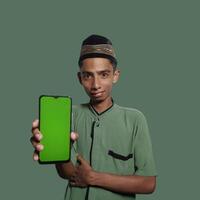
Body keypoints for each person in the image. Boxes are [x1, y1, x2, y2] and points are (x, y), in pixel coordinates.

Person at [31, 34, 157, 200]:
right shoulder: (69, 115)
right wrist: (59, 151)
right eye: (88, 75)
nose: (96, 85)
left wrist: (94, 177)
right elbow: (68, 173)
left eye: (103, 74)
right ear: (79, 78)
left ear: (115, 75)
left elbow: (148, 184)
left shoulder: (135, 119)